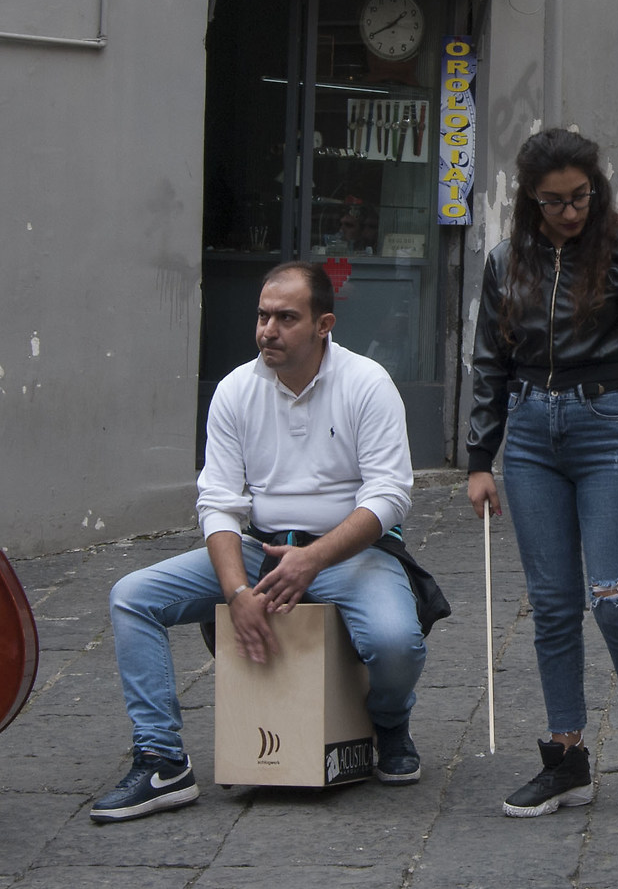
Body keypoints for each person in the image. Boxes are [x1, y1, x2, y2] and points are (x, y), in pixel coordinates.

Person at [92, 261, 423, 820]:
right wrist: (237, 591)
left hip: (349, 552)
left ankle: (388, 724)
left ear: (324, 325)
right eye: (262, 316)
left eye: (286, 318)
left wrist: (313, 560)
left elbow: (390, 496)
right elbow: (218, 501)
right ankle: (162, 759)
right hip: (260, 547)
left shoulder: (368, 382)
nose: (267, 329)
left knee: (395, 642)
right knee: (132, 596)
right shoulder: (236, 390)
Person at [467, 129, 618, 823]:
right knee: (552, 601)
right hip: (531, 430)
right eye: (556, 201)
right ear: (531, 200)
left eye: (582, 197)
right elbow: (488, 362)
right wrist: (481, 459)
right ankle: (565, 756)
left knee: (617, 595)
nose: (572, 211)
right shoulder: (506, 260)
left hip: (610, 424)